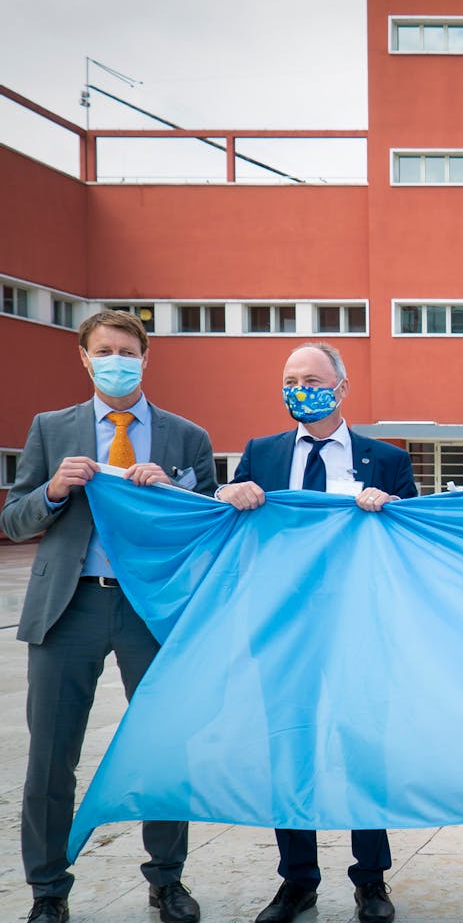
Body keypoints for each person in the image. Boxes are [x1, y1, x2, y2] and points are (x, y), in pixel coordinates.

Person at [2, 310, 217, 923]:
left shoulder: (186, 437)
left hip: (150, 608)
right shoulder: (51, 428)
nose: (116, 360)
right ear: (84, 356)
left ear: (145, 359)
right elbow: (14, 519)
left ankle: (166, 879)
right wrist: (53, 492)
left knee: (162, 744)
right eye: (105, 350)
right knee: (50, 754)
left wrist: (172, 495)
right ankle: (47, 889)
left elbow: (207, 529)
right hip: (68, 607)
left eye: (128, 350)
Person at [217, 342, 417, 923]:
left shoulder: (386, 459)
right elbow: (223, 523)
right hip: (282, 626)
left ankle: (371, 880)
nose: (299, 387)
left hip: (359, 624)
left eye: (311, 377)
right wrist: (228, 494)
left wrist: (391, 505)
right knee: (290, 748)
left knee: (362, 749)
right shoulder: (261, 453)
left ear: (341, 387)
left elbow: (410, 540)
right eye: (289, 377)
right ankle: (297, 879)